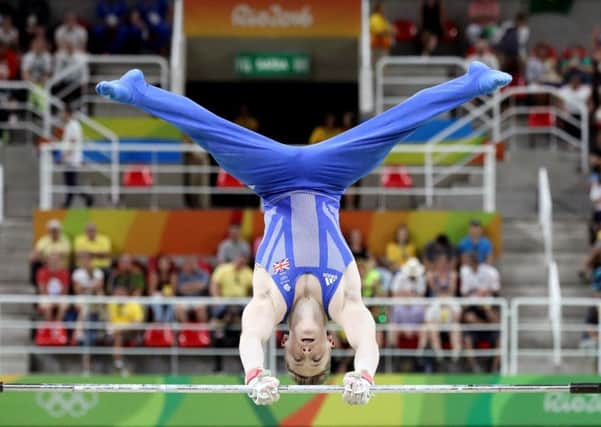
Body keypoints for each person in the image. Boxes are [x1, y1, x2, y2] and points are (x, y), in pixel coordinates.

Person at [96, 61, 511, 405]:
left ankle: (139, 92)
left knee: (211, 130)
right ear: (332, 342)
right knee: (393, 126)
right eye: (317, 359)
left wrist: (254, 373)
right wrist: (364, 374)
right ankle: (472, 81)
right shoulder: (344, 298)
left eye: (299, 358)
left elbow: (250, 334)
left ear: (286, 345)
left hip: (271, 180)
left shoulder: (270, 298)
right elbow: (368, 339)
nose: (308, 353)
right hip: (331, 178)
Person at [60, 105, 94, 208]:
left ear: (67, 113)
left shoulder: (73, 125)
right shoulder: (71, 125)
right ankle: (69, 203)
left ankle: (86, 197)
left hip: (71, 159)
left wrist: (66, 154)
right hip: (71, 158)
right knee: (70, 182)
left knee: (71, 183)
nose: (61, 115)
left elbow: (74, 141)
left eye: (62, 113)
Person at [107, 284, 144, 375]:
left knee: (118, 335)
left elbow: (138, 323)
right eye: (117, 293)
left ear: (126, 294)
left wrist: (123, 327)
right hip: (114, 332)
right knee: (118, 336)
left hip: (131, 332)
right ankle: (119, 365)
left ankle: (118, 364)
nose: (119, 295)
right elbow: (108, 320)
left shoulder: (133, 304)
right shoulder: (112, 304)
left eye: (121, 293)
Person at [72, 252, 105, 348]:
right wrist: (91, 286)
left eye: (87, 259)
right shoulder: (77, 273)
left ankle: (103, 330)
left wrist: (85, 287)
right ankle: (78, 332)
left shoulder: (98, 272)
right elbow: (77, 289)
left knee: (102, 299)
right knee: (84, 308)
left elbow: (100, 286)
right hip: (81, 297)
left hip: (94, 297)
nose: (85, 261)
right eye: (83, 259)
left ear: (91, 260)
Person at [29, 219, 71, 285]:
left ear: (59, 230)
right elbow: (35, 253)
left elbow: (65, 254)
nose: (54, 232)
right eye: (52, 230)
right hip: (46, 266)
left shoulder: (65, 240)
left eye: (55, 230)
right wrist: (48, 258)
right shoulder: (44, 240)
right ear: (49, 231)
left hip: (61, 267)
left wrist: (50, 257)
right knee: (35, 263)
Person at [175, 256, 210, 323]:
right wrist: (196, 286)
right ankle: (186, 330)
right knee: (179, 309)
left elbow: (203, 286)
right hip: (185, 299)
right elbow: (181, 289)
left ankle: (202, 331)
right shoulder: (182, 275)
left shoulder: (203, 273)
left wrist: (189, 287)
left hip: (199, 298)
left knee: (201, 309)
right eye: (189, 263)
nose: (191, 265)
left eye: (193, 263)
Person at [36, 253, 70, 321]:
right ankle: (49, 326)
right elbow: (42, 290)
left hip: (60, 297)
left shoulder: (64, 272)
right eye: (52, 260)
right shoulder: (42, 272)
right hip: (47, 296)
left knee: (64, 305)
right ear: (48, 261)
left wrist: (56, 299)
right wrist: (52, 300)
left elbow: (65, 290)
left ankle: (57, 325)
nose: (54, 262)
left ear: (59, 261)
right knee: (47, 305)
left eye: (56, 260)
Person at [147, 254, 177, 322]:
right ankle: (159, 319)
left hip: (169, 296)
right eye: (161, 263)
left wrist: (168, 294)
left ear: (169, 264)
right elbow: (150, 292)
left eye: (165, 263)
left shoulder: (173, 275)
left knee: (173, 301)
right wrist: (161, 294)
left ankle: (167, 320)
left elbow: (174, 291)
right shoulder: (154, 274)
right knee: (155, 299)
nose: (163, 265)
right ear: (158, 264)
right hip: (157, 297)